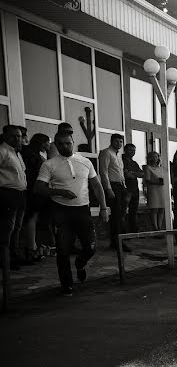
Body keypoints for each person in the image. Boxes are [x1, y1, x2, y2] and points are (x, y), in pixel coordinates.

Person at [34, 132, 109, 296]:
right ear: (56, 145)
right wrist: (60, 192)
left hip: (83, 210)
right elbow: (38, 188)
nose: (64, 146)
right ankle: (66, 284)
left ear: (73, 142)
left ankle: (80, 263)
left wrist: (103, 208)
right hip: (61, 210)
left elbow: (97, 186)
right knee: (63, 250)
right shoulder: (49, 164)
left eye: (68, 143)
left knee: (91, 247)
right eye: (60, 144)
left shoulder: (85, 161)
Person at [0, 125, 28, 274]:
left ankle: (14, 256)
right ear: (5, 136)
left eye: (19, 136)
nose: (17, 139)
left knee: (17, 227)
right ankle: (5, 260)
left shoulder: (17, 153)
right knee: (7, 228)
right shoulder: (2, 151)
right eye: (13, 136)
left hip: (20, 194)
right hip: (7, 194)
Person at [21, 133, 52, 263]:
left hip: (37, 191)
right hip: (34, 192)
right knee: (32, 219)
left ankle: (36, 247)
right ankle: (31, 248)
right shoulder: (31, 155)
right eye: (48, 142)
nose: (49, 145)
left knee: (36, 219)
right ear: (42, 142)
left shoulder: (35, 155)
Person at [98, 133, 130, 251]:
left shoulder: (118, 155)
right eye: (116, 141)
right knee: (116, 215)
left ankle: (118, 241)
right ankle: (117, 243)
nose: (119, 144)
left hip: (121, 186)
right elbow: (103, 172)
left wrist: (125, 187)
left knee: (121, 215)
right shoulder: (106, 152)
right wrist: (108, 189)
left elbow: (120, 173)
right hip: (113, 186)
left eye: (121, 142)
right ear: (111, 141)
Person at [122, 143, 143, 233]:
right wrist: (134, 173)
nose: (132, 152)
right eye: (130, 150)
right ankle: (123, 232)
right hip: (126, 189)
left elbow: (142, 174)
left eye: (134, 150)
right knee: (123, 211)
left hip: (135, 189)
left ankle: (134, 231)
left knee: (133, 211)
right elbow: (127, 175)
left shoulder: (134, 163)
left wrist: (132, 173)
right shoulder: (121, 161)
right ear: (125, 150)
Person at [142, 151, 166, 231]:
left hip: (162, 189)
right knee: (154, 209)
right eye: (152, 156)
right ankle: (155, 227)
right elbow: (147, 180)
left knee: (162, 208)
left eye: (156, 156)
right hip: (153, 189)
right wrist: (157, 182)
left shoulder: (162, 168)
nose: (154, 158)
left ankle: (160, 226)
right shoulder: (147, 167)